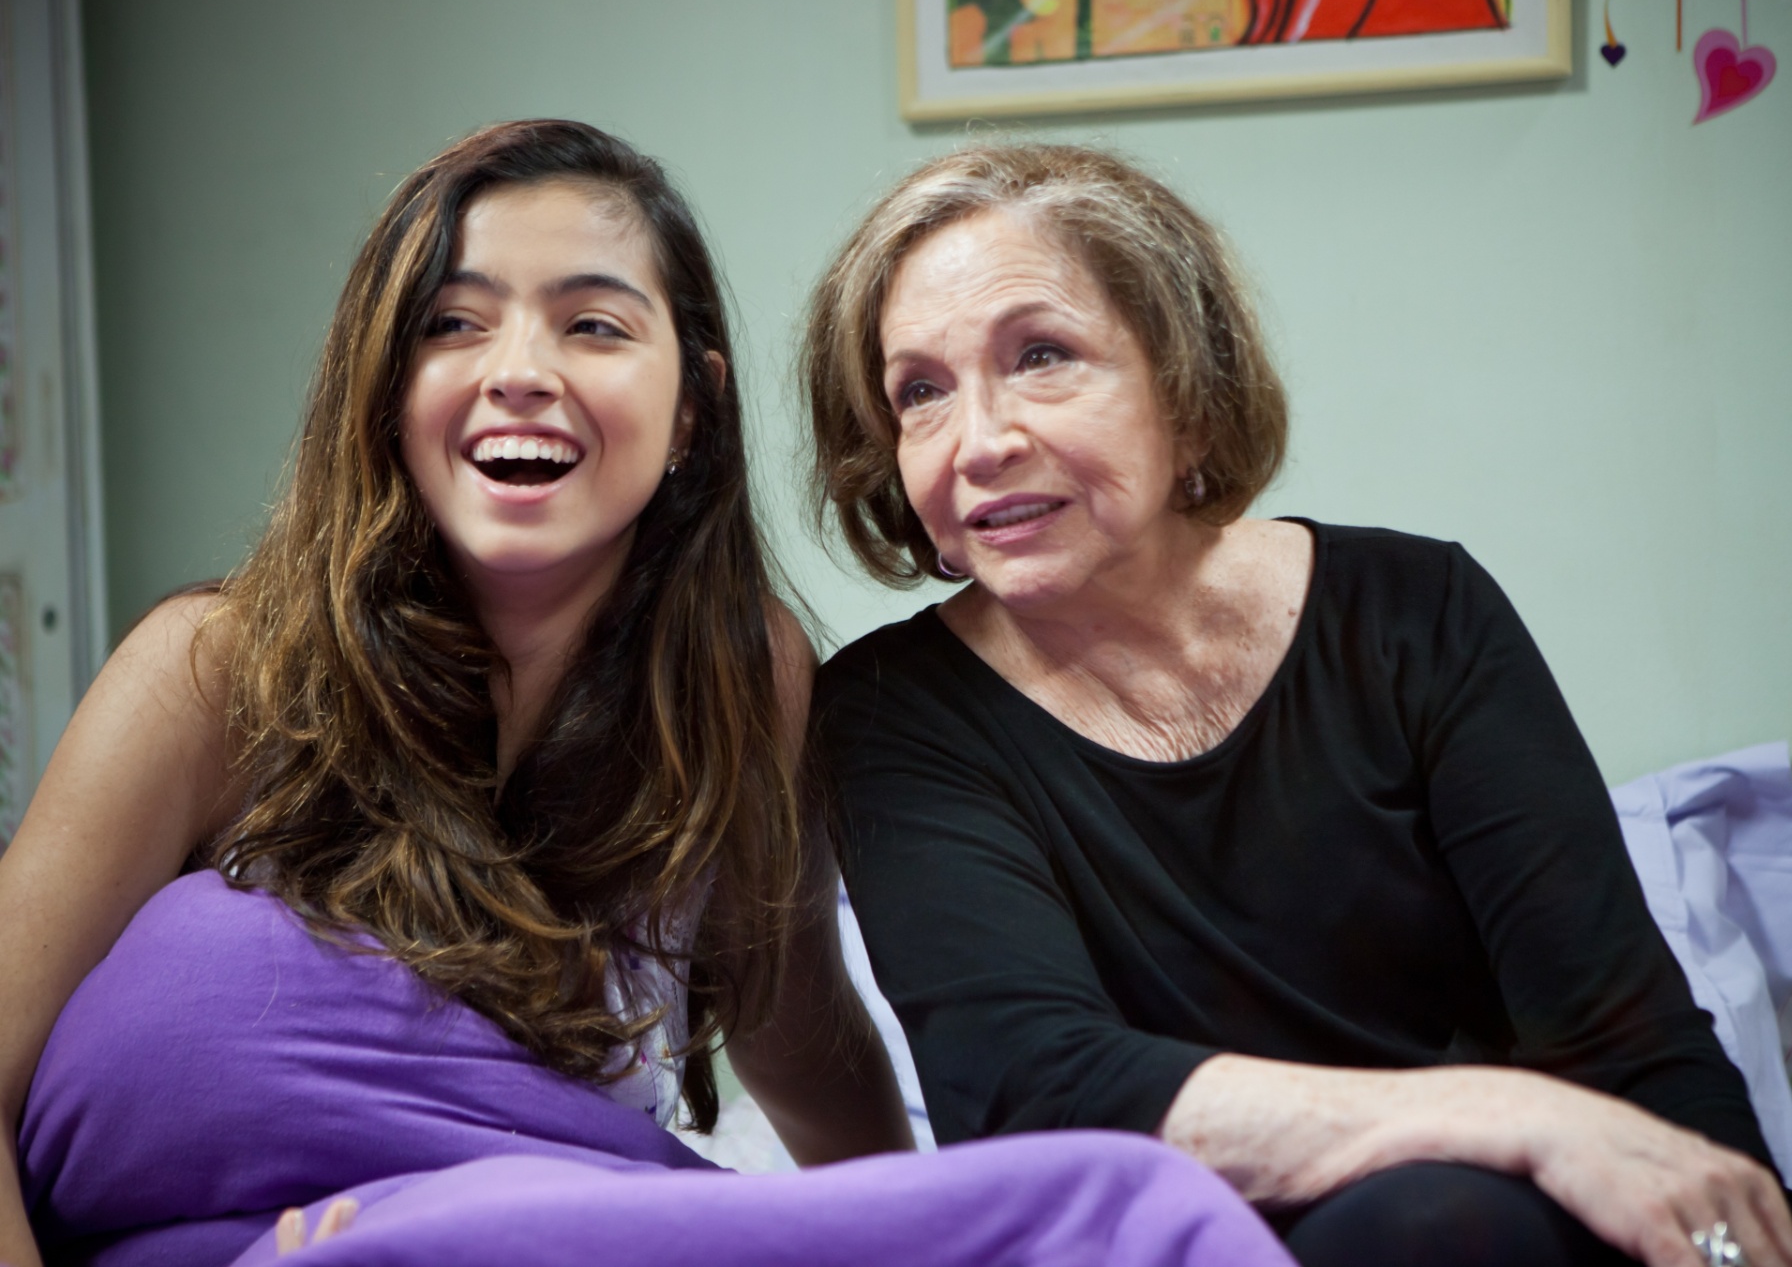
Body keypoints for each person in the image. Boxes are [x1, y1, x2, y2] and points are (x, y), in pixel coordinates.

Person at [0, 122, 1286, 1267]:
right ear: (389, 397)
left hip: (552, 1224)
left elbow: (797, 1031)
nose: (518, 367)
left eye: (594, 323)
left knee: (1112, 1207)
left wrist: (921, 1222)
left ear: (692, 411)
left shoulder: (742, 678)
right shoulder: (220, 667)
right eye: (453, 322)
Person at [803, 142, 1792, 1267]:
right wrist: (1510, 1115)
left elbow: (1628, 1036)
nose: (979, 442)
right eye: (921, 393)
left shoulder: (1415, 612)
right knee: (1427, 1220)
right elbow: (1035, 1086)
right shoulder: (892, 710)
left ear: (1187, 394)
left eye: (1042, 355)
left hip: (1528, 1231)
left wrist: (1733, 1239)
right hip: (1218, 1241)